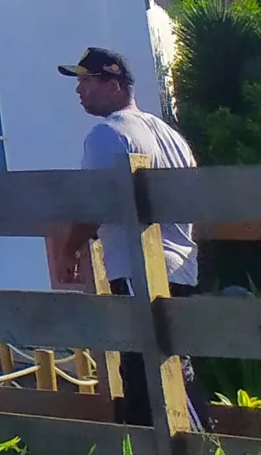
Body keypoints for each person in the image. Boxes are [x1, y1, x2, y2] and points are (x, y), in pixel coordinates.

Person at [46, 46, 197, 427]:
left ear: (113, 84)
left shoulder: (107, 134)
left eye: (86, 81)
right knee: (164, 360)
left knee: (152, 369)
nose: (79, 90)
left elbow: (95, 204)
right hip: (182, 267)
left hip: (137, 268)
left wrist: (70, 249)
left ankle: (194, 451)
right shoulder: (171, 137)